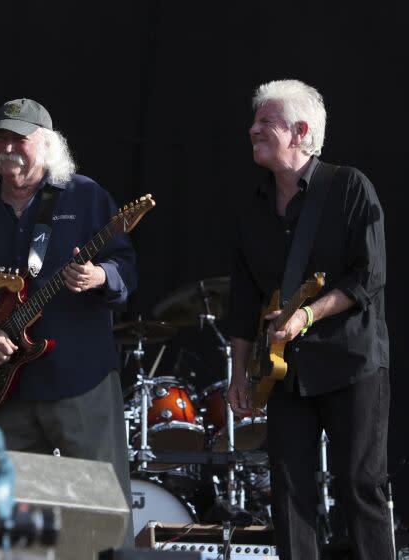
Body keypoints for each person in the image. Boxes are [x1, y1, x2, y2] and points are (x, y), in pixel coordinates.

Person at [0, 98, 137, 544]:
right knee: (19, 519)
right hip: (9, 389)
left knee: (102, 511)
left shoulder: (86, 197)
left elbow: (126, 269)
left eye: (19, 139)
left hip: (80, 381)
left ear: (45, 145)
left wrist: (100, 275)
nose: (9, 148)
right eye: (0, 138)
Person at [226, 79, 391, 559]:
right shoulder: (251, 208)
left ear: (300, 131)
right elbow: (243, 300)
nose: (252, 128)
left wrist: (307, 313)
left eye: (265, 122)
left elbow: (370, 275)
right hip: (285, 371)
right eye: (255, 120)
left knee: (360, 488)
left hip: (350, 361)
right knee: (289, 493)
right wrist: (239, 371)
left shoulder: (348, 187)